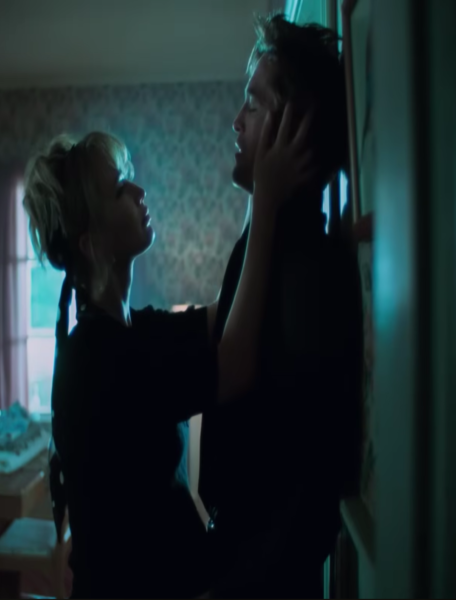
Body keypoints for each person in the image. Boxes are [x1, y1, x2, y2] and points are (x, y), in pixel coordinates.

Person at [22, 107, 314, 599]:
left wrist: (259, 197)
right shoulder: (102, 357)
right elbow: (234, 367)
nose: (139, 192)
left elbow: (225, 313)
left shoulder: (130, 329)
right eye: (120, 189)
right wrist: (263, 201)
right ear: (91, 244)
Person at [198, 13, 363, 599]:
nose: (236, 120)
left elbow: (309, 484)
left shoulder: (306, 272)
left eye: (253, 104)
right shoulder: (268, 244)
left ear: (294, 127)